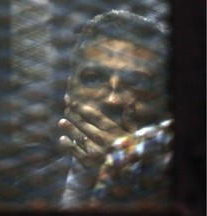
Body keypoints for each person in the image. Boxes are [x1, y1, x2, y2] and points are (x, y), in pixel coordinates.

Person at [58, 10, 173, 209]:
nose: (112, 100)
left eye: (138, 82)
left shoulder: (186, 187)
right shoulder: (26, 184)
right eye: (93, 78)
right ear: (70, 90)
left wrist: (126, 174)